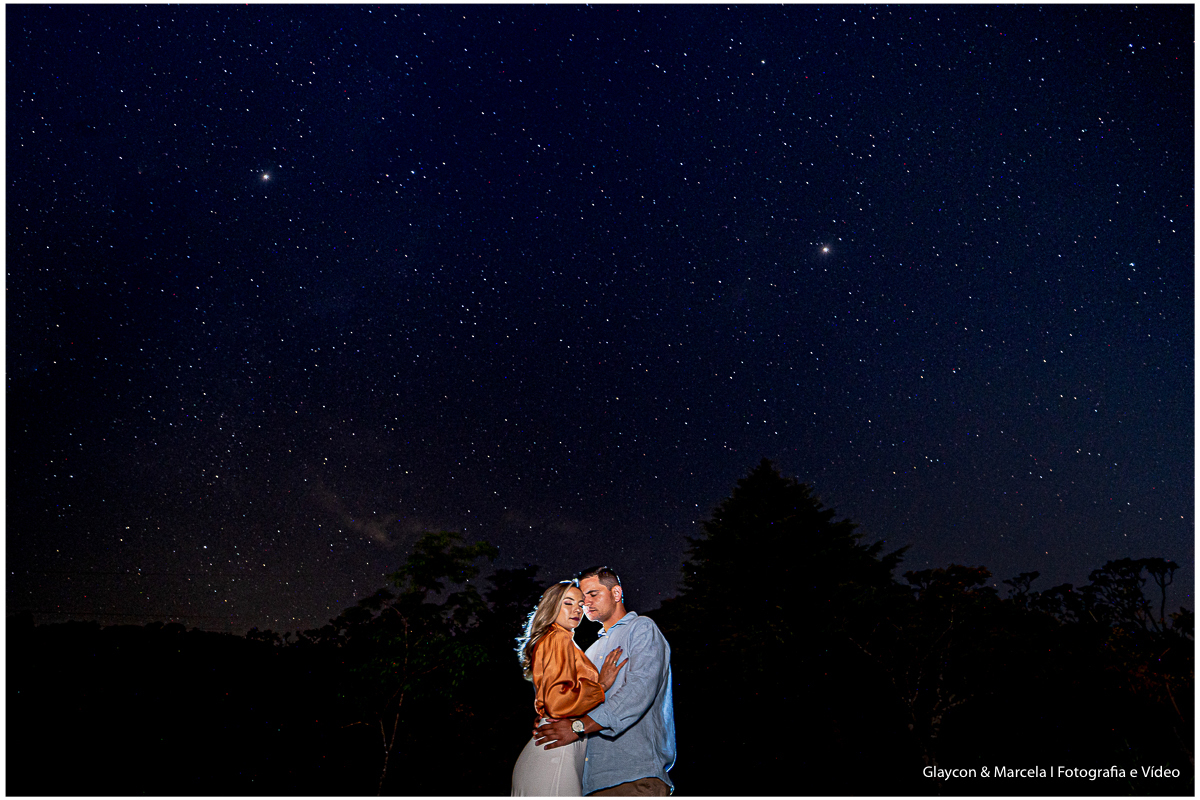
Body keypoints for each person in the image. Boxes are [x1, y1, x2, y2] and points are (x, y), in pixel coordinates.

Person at [533, 566, 675, 796]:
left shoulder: (641, 629)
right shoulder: (589, 651)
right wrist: (550, 718)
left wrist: (578, 727)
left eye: (593, 594)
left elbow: (638, 692)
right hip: (588, 782)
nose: (585, 602)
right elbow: (572, 701)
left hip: (633, 776)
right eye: (582, 597)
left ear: (616, 594)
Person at [512, 580, 628, 796]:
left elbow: (551, 699)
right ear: (552, 606)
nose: (577, 609)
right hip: (555, 751)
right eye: (568, 603)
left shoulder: (558, 639)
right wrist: (601, 685)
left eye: (580, 604)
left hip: (552, 747)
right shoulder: (557, 637)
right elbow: (557, 702)